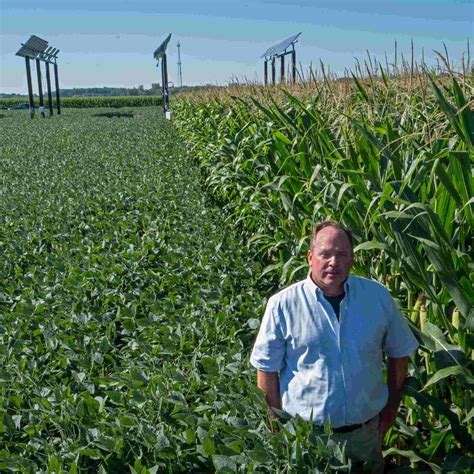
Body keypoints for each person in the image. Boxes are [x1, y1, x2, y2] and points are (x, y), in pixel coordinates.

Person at [250, 221, 418, 472]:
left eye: (341, 254)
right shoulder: (283, 305)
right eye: (325, 254)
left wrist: (391, 408)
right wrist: (277, 426)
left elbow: (399, 353)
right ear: (310, 257)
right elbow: (266, 370)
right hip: (308, 438)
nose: (333, 262)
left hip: (365, 435)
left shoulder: (377, 297)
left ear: (352, 258)